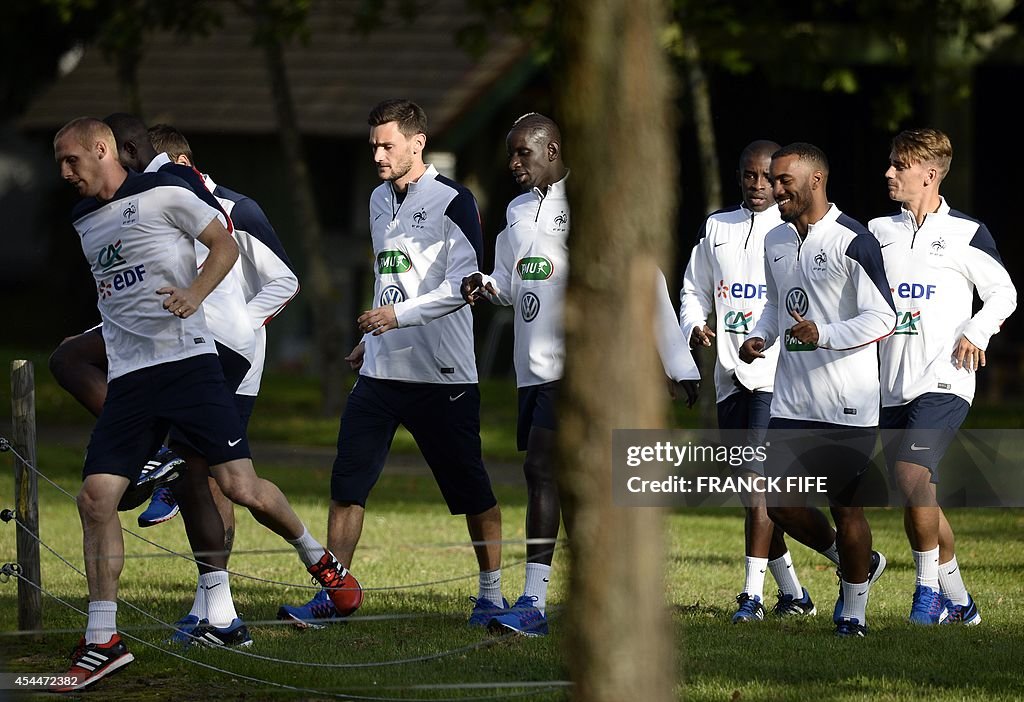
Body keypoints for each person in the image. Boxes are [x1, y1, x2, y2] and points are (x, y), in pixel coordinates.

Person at [50, 117, 356, 691]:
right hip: (134, 380)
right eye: (59, 164)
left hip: (190, 368)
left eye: (72, 160)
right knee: (96, 500)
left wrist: (194, 295)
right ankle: (103, 642)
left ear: (103, 149)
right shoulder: (83, 219)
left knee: (238, 486)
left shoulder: (169, 190)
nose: (65, 173)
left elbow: (223, 244)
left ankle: (321, 561)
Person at [461, 113, 699, 636]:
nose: (514, 163)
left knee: (541, 469)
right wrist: (483, 284)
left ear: (553, 149)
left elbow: (645, 278)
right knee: (565, 480)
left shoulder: (592, 203)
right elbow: (511, 279)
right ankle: (603, 593)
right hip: (532, 369)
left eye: (524, 153)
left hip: (578, 365)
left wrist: (677, 362)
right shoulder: (517, 210)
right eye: (511, 153)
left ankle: (532, 602)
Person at [278, 99, 504, 628]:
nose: (377, 154)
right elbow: (390, 276)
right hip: (380, 373)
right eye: (374, 145)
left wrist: (395, 317)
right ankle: (336, 595)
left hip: (442, 375)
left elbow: (465, 287)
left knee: (472, 489)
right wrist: (372, 339)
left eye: (387, 145)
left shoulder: (455, 200)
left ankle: (491, 595)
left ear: (417, 142)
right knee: (347, 485)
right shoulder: (379, 199)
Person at [146, 122, 301, 643]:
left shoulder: (238, 208)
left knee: (223, 484)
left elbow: (284, 281)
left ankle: (313, 563)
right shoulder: (157, 210)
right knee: (204, 480)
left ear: (182, 164)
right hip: (190, 354)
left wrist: (238, 329)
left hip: (234, 361)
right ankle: (213, 608)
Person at [739, 142, 897, 638]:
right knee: (779, 502)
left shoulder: (854, 239)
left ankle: (853, 612)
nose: (774, 187)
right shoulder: (776, 240)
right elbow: (776, 305)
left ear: (816, 181)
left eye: (784, 180)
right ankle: (855, 562)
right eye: (771, 178)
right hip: (790, 398)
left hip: (846, 405)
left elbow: (884, 317)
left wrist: (824, 333)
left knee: (847, 508)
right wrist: (761, 336)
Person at [870, 128, 1016, 625]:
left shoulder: (966, 233)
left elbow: (1004, 293)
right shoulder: (876, 231)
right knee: (916, 490)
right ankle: (963, 603)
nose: (889, 172)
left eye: (899, 166)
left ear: (929, 175)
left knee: (913, 477)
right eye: (890, 163)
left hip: (946, 378)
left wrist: (977, 330)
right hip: (892, 382)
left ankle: (927, 593)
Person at [681, 140, 821, 623]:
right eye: (749, 176)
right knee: (748, 492)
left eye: (769, 177)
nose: (759, 185)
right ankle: (798, 592)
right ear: (739, 176)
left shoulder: (791, 231)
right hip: (727, 374)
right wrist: (693, 327)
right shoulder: (716, 227)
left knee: (758, 485)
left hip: (774, 376)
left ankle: (751, 597)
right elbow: (694, 288)